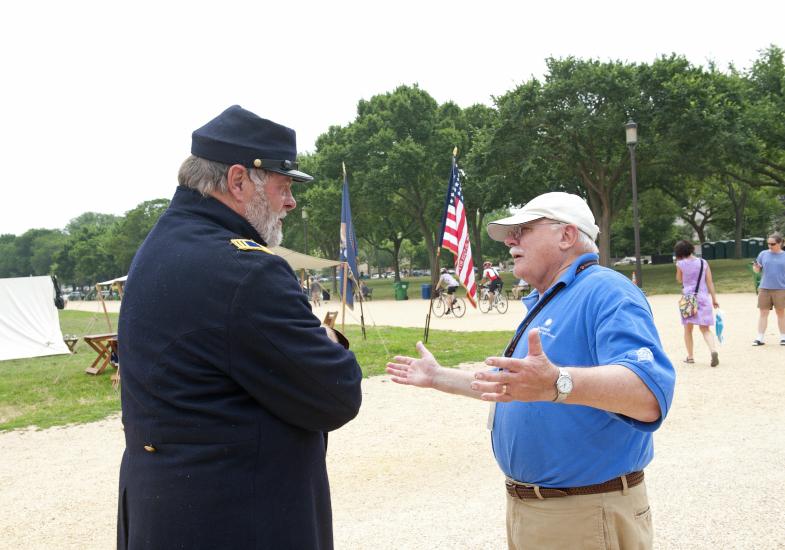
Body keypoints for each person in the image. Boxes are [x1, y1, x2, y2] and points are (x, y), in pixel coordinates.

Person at [117, 105, 363, 549]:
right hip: (238, 520)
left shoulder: (161, 246)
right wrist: (326, 338)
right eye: (283, 186)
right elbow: (338, 393)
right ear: (237, 181)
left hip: (168, 513)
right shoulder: (246, 271)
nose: (290, 202)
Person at [387, 192, 675, 549]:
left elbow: (649, 395)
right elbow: (520, 386)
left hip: (585, 512)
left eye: (523, 230)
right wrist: (438, 377)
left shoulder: (607, 290)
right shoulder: (548, 299)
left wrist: (557, 382)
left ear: (566, 236)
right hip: (535, 510)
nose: (510, 240)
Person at [674, 240, 720, 366]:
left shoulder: (680, 264)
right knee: (705, 329)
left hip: (688, 298)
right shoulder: (703, 262)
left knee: (688, 329)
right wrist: (714, 299)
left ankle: (690, 356)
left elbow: (679, 279)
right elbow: (709, 282)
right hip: (703, 297)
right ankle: (713, 350)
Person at [752, 231, 785, 345]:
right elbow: (757, 270)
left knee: (780, 312)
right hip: (764, 288)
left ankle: (783, 337)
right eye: (768, 244)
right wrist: (756, 267)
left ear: (780, 243)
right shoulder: (763, 254)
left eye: (773, 244)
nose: (770, 246)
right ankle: (759, 338)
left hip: (781, 288)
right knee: (763, 313)